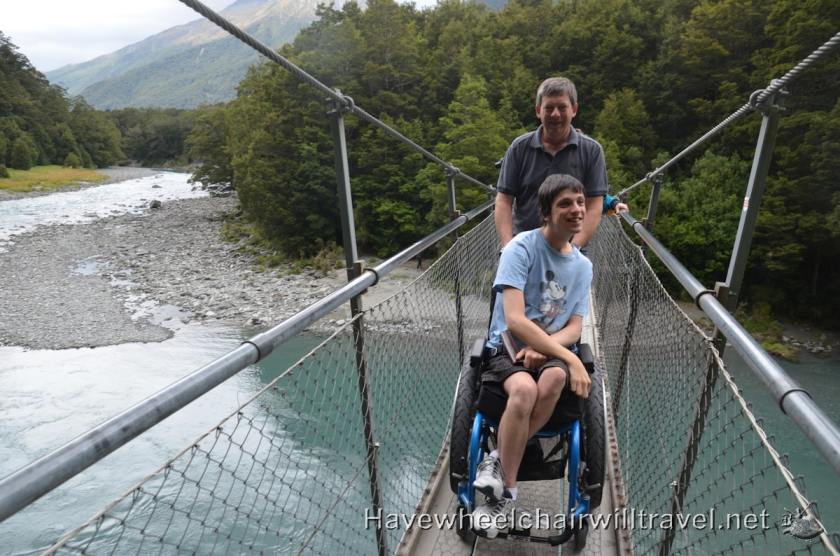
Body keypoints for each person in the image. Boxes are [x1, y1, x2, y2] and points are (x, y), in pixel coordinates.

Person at [472, 174, 593, 537]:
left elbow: (574, 326)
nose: (576, 210)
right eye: (565, 204)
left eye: (580, 202)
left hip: (551, 347)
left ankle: (498, 460)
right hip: (509, 344)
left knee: (554, 377)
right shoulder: (520, 249)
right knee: (524, 390)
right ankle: (506, 492)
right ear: (545, 212)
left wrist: (551, 350)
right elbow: (514, 319)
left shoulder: (584, 266)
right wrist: (569, 357)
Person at [495, 77, 609, 249]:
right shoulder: (519, 148)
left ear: (574, 109)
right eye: (549, 108)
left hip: (570, 249)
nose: (555, 114)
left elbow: (594, 204)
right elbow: (504, 199)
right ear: (538, 111)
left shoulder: (591, 151)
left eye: (562, 107)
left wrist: (573, 250)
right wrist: (508, 247)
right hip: (524, 248)